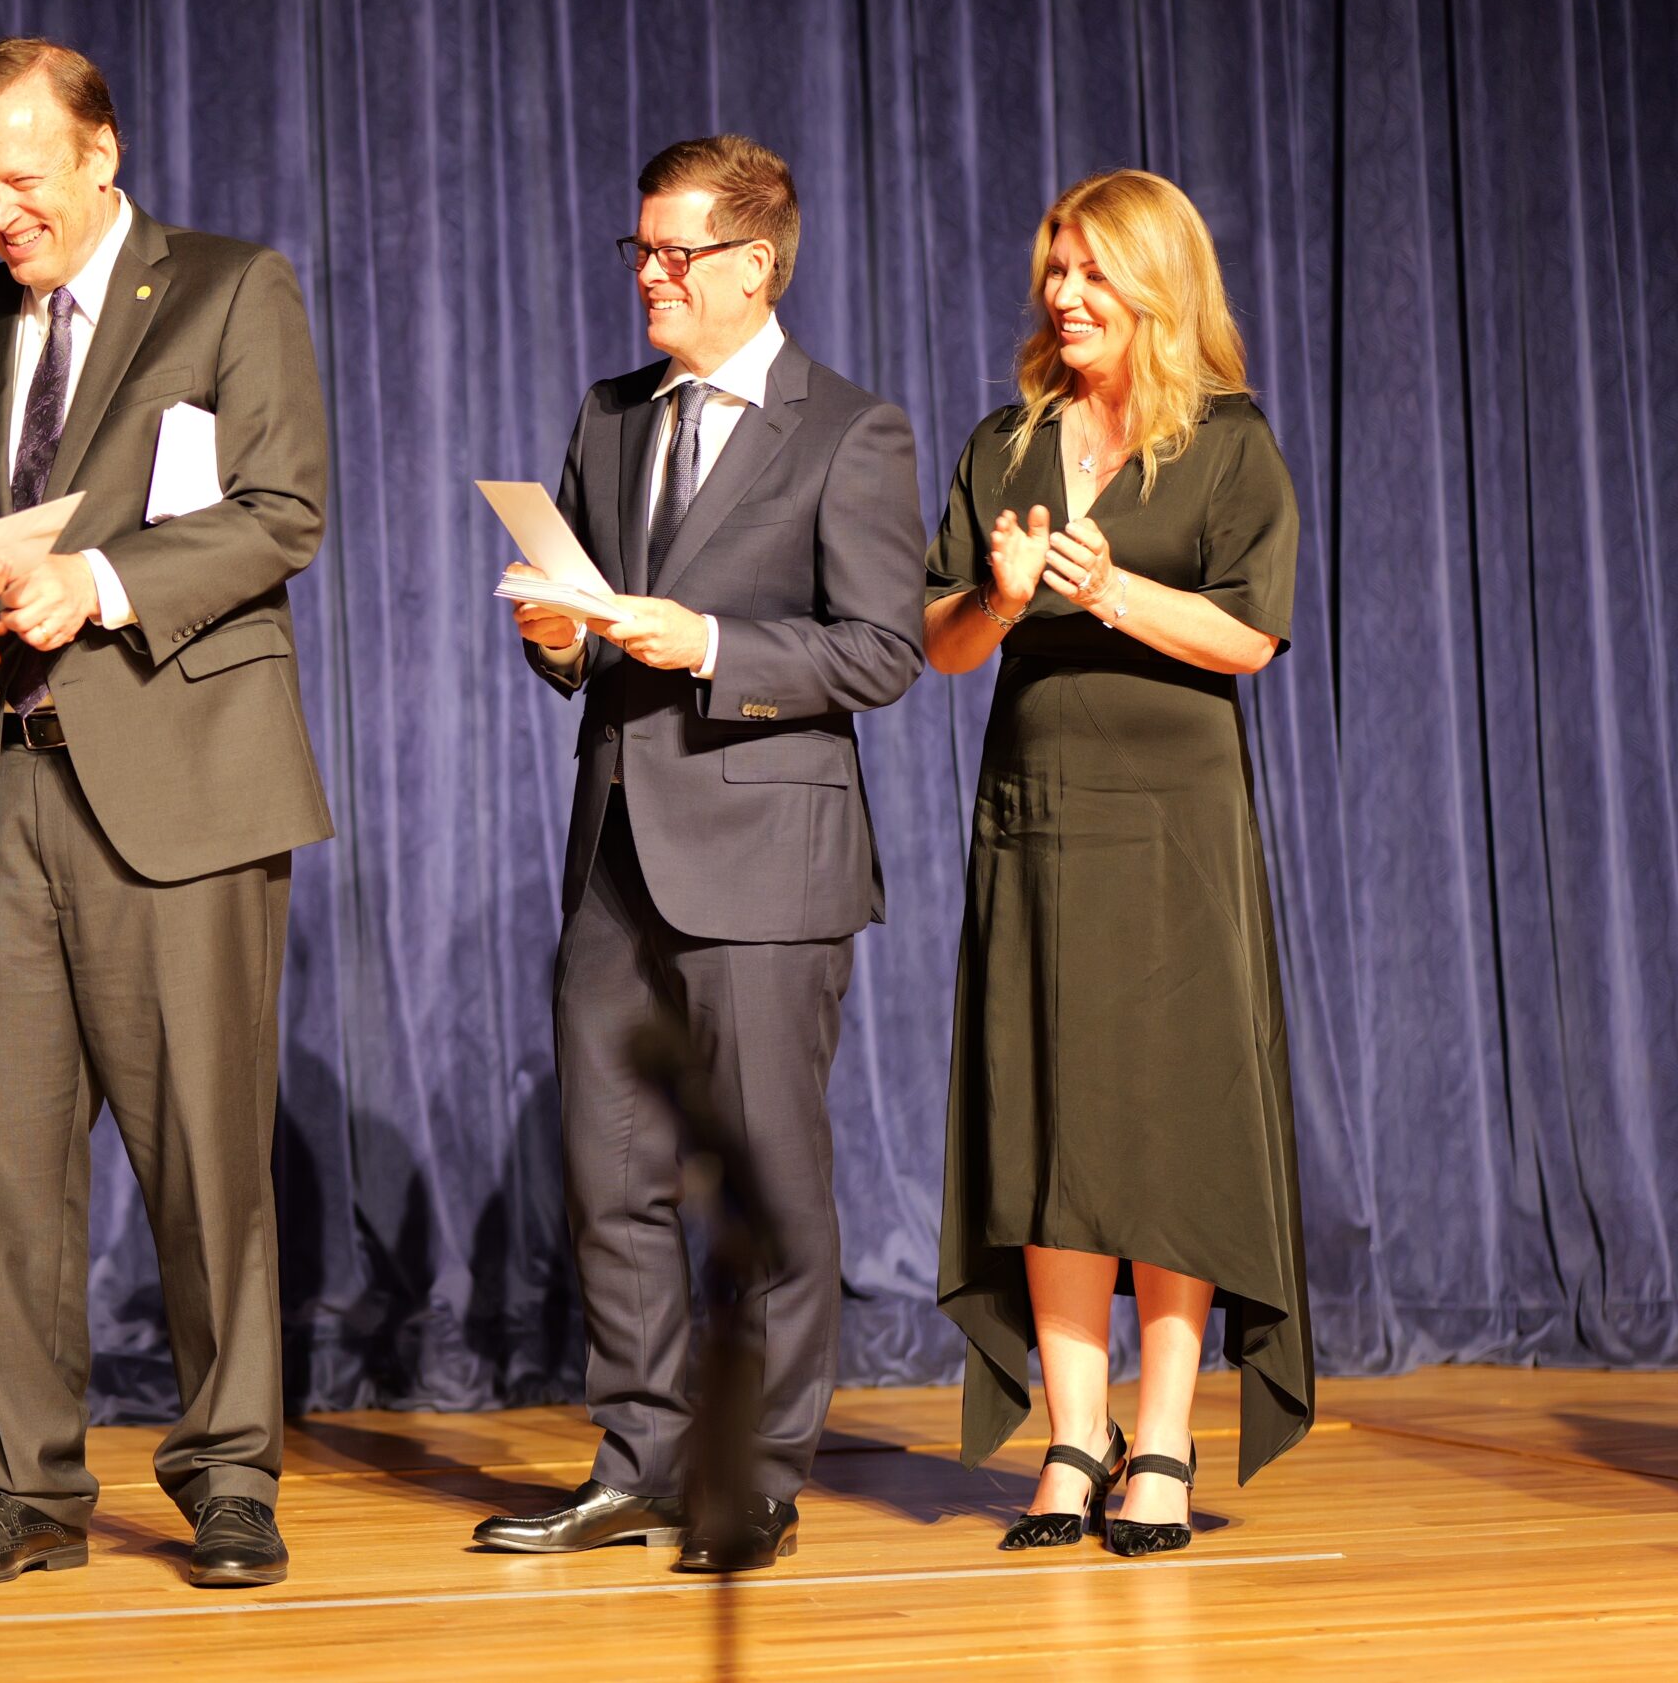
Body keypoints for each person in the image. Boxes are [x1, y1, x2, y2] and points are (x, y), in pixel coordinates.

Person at [0, 39, 332, 1590]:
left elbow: (281, 512)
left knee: (206, 1155)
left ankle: (230, 1472)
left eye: (26, 177)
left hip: (177, 787)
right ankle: (26, 1490)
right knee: (3, 1164)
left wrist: (102, 582)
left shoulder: (229, 291)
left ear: (103, 157)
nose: (1, 209)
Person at [476, 134, 925, 1571]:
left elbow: (882, 650)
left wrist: (715, 643)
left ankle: (758, 1476)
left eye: (676, 253)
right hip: (616, 849)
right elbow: (583, 634)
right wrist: (557, 636)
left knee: (767, 1181)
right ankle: (640, 1459)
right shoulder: (611, 416)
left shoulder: (851, 430)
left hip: (766, 863)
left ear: (755, 265)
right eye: (641, 251)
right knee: (609, 1179)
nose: (651, 276)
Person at [922, 168, 1313, 1556]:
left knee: (1165, 1125)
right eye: (1054, 271)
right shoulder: (1007, 442)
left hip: (1173, 826)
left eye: (1090, 273)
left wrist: (1118, 593)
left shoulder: (1227, 445)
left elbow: (1252, 639)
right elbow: (944, 644)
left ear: (1156, 285)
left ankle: (1162, 1439)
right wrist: (1005, 594)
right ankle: (1072, 1438)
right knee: (1050, 1120)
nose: (1064, 296)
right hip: (1037, 814)